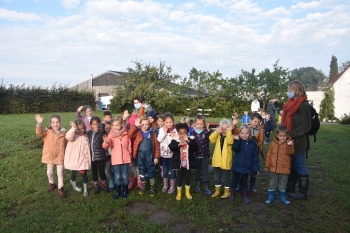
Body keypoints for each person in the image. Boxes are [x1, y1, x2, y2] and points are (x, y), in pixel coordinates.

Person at [282, 80, 311, 200]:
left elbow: (306, 126)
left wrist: (291, 134)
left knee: (299, 165)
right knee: (292, 164)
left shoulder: (303, 105)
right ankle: (291, 186)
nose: (288, 92)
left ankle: (303, 192)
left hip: (298, 142)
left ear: (297, 90)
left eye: (290, 90)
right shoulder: (290, 103)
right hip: (289, 140)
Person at [35, 114, 67, 197]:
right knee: (49, 172)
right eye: (53, 122)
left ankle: (60, 188)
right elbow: (39, 133)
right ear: (50, 123)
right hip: (50, 155)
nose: (55, 124)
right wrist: (39, 124)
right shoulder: (47, 131)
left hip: (60, 155)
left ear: (60, 123)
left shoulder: (64, 133)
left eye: (57, 122)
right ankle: (52, 183)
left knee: (60, 173)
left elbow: (67, 144)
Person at [128, 117, 160, 196]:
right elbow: (129, 134)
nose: (145, 126)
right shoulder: (138, 132)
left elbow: (156, 145)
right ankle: (143, 186)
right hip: (140, 155)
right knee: (141, 170)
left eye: (146, 124)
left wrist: (156, 157)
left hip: (150, 155)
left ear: (149, 124)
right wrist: (135, 126)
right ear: (140, 125)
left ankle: (152, 188)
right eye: (143, 124)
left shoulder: (152, 133)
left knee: (151, 169)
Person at [103, 116, 132, 199]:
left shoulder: (125, 134)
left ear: (121, 125)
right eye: (114, 125)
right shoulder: (110, 136)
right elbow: (105, 146)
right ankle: (117, 191)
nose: (115, 127)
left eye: (117, 125)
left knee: (125, 175)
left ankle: (125, 191)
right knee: (117, 175)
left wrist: (129, 157)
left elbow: (129, 146)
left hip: (125, 159)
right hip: (116, 160)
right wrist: (106, 142)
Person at [229, 125, 260, 204]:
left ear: (249, 134)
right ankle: (232, 194)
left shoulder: (253, 144)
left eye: (246, 133)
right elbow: (235, 148)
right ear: (239, 134)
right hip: (237, 166)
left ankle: (245, 196)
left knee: (244, 182)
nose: (244, 135)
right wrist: (237, 140)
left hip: (247, 167)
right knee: (234, 181)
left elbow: (255, 157)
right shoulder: (238, 142)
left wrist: (256, 168)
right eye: (242, 133)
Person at [265, 125, 294, 205]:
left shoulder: (289, 143)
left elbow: (291, 152)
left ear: (287, 135)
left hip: (284, 168)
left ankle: (282, 197)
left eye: (284, 136)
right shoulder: (273, 144)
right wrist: (267, 166)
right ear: (277, 135)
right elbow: (269, 155)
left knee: (283, 184)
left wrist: (289, 145)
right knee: (272, 183)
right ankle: (271, 197)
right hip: (273, 168)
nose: (282, 137)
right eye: (280, 136)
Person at [169, 123, 198, 200]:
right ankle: (179, 193)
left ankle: (187, 192)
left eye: (184, 133)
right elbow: (171, 147)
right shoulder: (175, 140)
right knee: (179, 179)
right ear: (178, 133)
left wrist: (188, 140)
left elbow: (195, 146)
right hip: (180, 165)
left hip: (187, 164)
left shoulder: (190, 139)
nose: (182, 135)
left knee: (187, 178)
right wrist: (178, 144)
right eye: (180, 133)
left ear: (187, 132)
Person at [236, 112, 263, 194]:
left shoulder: (260, 131)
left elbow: (260, 141)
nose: (256, 123)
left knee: (253, 171)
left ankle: (252, 187)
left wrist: (259, 148)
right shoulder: (245, 128)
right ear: (250, 120)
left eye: (258, 122)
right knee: (242, 169)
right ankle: (240, 185)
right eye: (255, 121)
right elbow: (237, 134)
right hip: (244, 153)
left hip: (254, 153)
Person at [64, 119, 91, 197]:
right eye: (78, 129)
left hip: (83, 159)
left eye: (82, 128)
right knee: (74, 171)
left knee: (83, 173)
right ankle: (74, 185)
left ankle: (85, 189)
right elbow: (68, 136)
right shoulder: (73, 136)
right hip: (75, 159)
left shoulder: (85, 136)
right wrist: (73, 128)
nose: (80, 130)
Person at [209, 118, 235, 199]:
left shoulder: (230, 136)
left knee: (225, 178)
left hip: (226, 162)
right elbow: (211, 139)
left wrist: (229, 132)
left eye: (226, 129)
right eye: (222, 129)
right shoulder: (217, 136)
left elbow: (230, 142)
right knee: (216, 178)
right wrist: (217, 132)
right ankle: (217, 191)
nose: (224, 131)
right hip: (217, 162)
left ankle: (227, 192)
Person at [190, 114, 212, 196]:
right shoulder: (192, 132)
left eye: (201, 124)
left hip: (205, 155)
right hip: (196, 155)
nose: (199, 126)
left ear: (204, 124)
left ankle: (206, 187)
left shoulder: (206, 132)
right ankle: (198, 185)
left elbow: (211, 137)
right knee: (198, 170)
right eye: (198, 124)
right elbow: (191, 143)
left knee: (205, 171)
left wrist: (208, 129)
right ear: (195, 124)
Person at [157, 112, 178, 194]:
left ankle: (172, 186)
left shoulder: (175, 130)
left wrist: (173, 136)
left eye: (170, 122)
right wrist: (164, 132)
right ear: (164, 122)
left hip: (173, 155)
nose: (169, 124)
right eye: (166, 122)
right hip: (164, 155)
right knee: (165, 171)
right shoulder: (161, 130)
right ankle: (165, 185)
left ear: (173, 122)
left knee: (173, 171)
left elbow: (177, 142)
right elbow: (159, 140)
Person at [88, 116, 109, 194]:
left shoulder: (101, 133)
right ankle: (96, 185)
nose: (95, 126)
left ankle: (104, 184)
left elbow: (103, 131)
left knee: (102, 171)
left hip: (100, 156)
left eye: (97, 124)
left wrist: (102, 125)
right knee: (94, 171)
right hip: (92, 156)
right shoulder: (89, 133)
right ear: (90, 125)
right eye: (93, 124)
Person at [104, 121, 114, 191]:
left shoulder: (113, 135)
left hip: (113, 156)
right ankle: (112, 180)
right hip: (105, 156)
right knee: (107, 170)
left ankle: (113, 182)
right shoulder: (103, 136)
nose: (108, 129)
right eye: (106, 128)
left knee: (109, 170)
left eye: (109, 128)